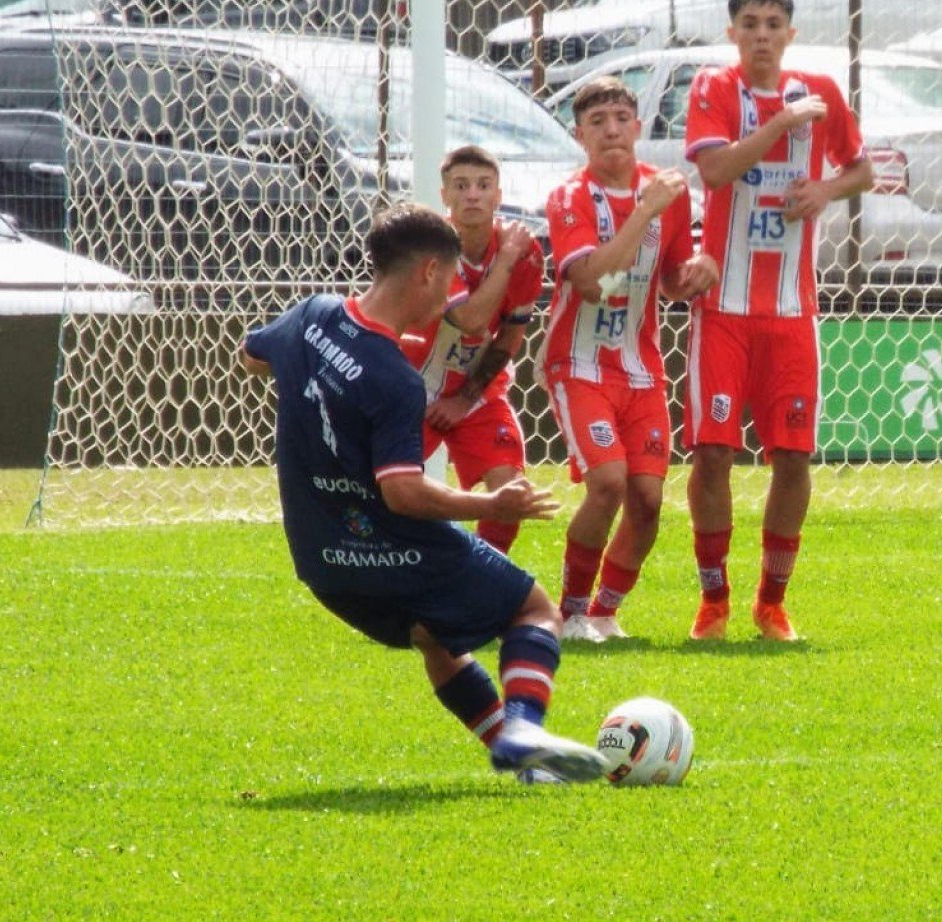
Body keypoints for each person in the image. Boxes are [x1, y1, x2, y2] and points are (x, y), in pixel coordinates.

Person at [240, 203, 606, 784]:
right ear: (430, 272)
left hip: (322, 562)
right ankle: (521, 727)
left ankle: (525, 767)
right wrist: (491, 505)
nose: (453, 294)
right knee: (534, 608)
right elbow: (404, 495)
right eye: (454, 276)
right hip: (393, 545)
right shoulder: (394, 378)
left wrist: (309, 393)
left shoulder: (314, 315)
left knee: (434, 635)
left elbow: (253, 355)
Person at [682, 0, 873, 641]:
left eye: (773, 24)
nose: (761, 34)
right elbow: (715, 172)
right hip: (724, 310)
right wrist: (782, 124)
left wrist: (825, 187)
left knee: (792, 458)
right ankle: (714, 601)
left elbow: (862, 170)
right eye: (750, 23)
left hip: (792, 312)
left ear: (790, 35)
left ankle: (771, 602)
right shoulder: (713, 88)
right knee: (712, 454)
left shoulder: (821, 92)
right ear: (732, 34)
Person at [543, 76, 719, 643]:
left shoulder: (668, 191)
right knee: (608, 484)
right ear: (580, 135)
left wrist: (695, 273)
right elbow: (592, 280)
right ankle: (569, 614)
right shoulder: (570, 197)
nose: (612, 130)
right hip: (580, 364)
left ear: (639, 127)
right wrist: (643, 213)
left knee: (647, 500)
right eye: (598, 122)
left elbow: (667, 278)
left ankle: (603, 612)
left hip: (641, 368)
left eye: (621, 117)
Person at [403, 145, 549, 556]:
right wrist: (503, 262)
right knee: (389, 493)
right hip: (413, 388)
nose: (473, 195)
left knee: (511, 494)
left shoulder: (528, 255)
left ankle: (482, 581)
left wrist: (466, 399)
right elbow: (470, 320)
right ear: (445, 195)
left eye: (484, 186)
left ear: (498, 196)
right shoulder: (430, 248)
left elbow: (510, 335)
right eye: (461, 186)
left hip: (477, 390)